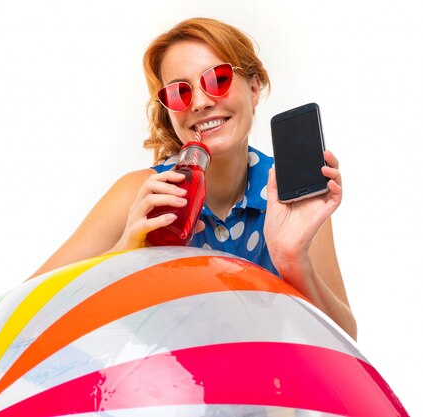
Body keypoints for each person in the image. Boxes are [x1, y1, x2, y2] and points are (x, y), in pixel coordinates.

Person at [31, 17, 357, 340]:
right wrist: (123, 255)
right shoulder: (142, 197)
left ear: (255, 87)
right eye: (179, 92)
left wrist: (293, 261)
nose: (200, 102)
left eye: (218, 79)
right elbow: (22, 315)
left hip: (265, 390)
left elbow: (346, 342)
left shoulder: (290, 196)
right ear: (169, 111)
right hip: (161, 389)